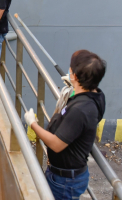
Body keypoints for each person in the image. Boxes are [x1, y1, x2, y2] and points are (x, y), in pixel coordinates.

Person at [24, 50, 107, 200]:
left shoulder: (79, 111)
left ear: (75, 75)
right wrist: (75, 88)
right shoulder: (96, 96)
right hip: (68, 177)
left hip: (64, 182)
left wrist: (33, 124)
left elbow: (56, 144)